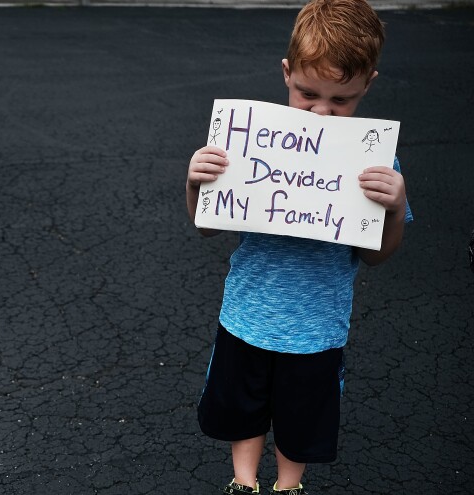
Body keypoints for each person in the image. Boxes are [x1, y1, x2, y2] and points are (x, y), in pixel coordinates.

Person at [185, 1, 413, 494]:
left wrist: (394, 209)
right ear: (286, 74)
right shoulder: (250, 142)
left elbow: (377, 254)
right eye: (307, 93)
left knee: (302, 416)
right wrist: (195, 184)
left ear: (368, 85)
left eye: (342, 100)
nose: (322, 111)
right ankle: (242, 482)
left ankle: (289, 487)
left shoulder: (375, 162)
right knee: (241, 406)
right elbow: (207, 226)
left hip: (316, 326)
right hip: (247, 313)